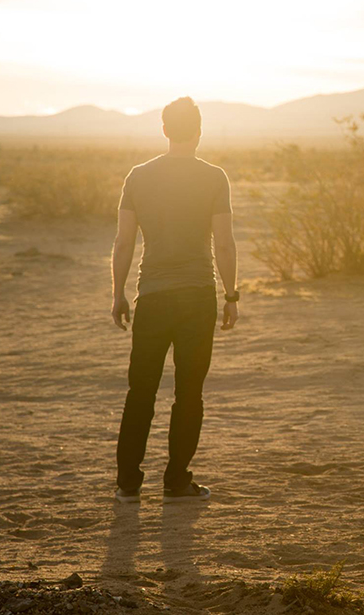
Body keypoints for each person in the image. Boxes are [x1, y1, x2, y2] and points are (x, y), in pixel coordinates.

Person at [111, 96, 239, 504]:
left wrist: (118, 293)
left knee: (141, 391)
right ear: (199, 131)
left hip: (152, 297)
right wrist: (231, 294)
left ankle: (128, 483)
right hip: (198, 298)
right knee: (189, 393)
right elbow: (225, 242)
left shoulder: (138, 176)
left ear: (165, 130)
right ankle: (177, 481)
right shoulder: (214, 177)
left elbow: (123, 241)